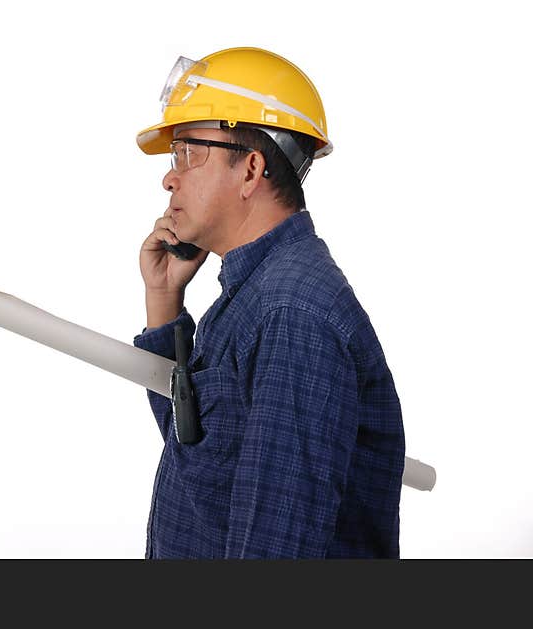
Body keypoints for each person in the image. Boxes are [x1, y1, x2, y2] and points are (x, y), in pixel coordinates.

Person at [132, 47, 405, 558]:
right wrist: (164, 298)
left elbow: (277, 550)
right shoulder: (253, 295)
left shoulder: (293, 314)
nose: (170, 177)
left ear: (251, 169)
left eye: (188, 152)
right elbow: (198, 452)